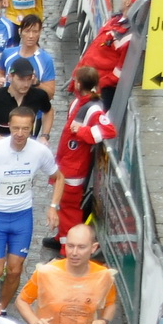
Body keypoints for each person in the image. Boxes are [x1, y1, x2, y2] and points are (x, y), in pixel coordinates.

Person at [0, 106, 59, 309]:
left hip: (22, 216)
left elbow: (58, 177)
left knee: (16, 270)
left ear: (32, 127)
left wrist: (53, 206)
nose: (19, 134)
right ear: (8, 126)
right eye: (15, 128)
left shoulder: (39, 151)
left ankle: (0, 308)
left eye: (25, 129)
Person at [51, 65, 117, 245]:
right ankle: (61, 238)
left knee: (70, 209)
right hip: (67, 163)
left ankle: (68, 248)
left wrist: (82, 132)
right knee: (63, 206)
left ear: (78, 84)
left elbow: (109, 131)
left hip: (75, 169)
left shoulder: (92, 108)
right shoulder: (79, 103)